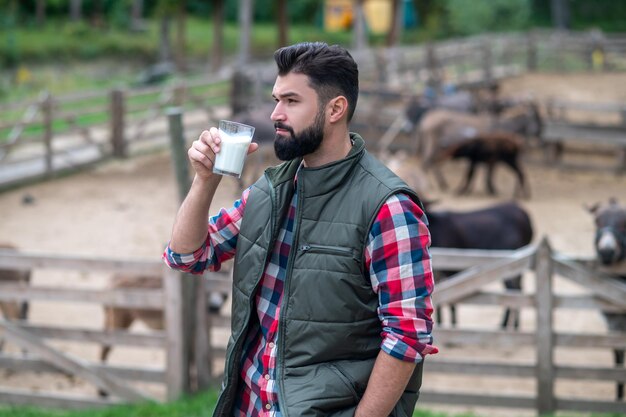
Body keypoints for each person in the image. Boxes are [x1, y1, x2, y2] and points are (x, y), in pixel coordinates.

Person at [163, 42, 438, 417]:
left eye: (291, 101)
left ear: (335, 109)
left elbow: (407, 336)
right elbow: (187, 256)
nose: (275, 113)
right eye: (276, 99)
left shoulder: (389, 207)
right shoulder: (268, 191)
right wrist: (204, 181)